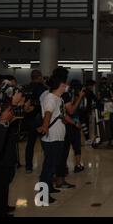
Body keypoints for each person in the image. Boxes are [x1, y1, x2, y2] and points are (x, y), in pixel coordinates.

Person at [37, 70, 70, 203]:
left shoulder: (59, 98)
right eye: (64, 84)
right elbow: (48, 113)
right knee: (48, 166)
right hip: (51, 137)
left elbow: (60, 115)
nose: (66, 86)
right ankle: (43, 195)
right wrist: (45, 127)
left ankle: (49, 187)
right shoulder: (50, 98)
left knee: (53, 164)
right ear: (60, 85)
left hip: (58, 136)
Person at [60, 80, 86, 175]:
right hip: (71, 123)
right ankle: (76, 165)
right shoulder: (70, 97)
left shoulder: (66, 94)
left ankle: (65, 166)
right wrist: (79, 98)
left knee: (67, 146)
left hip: (69, 124)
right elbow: (72, 111)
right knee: (75, 145)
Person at [24, 70, 48, 173]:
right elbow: (46, 102)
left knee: (30, 144)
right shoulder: (41, 88)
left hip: (28, 119)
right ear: (39, 77)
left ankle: (28, 167)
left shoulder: (26, 88)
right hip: (39, 119)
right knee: (45, 143)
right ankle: (46, 165)